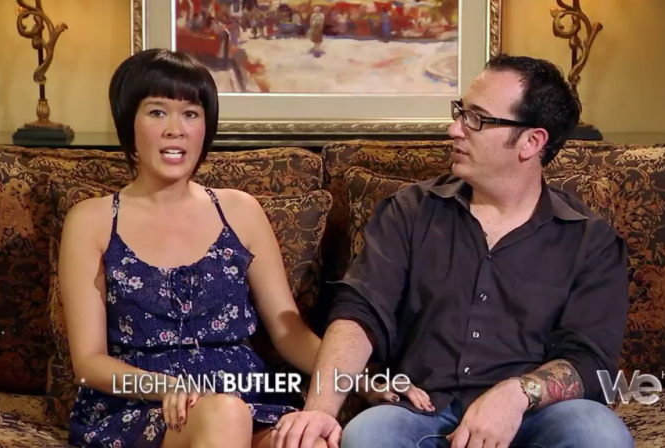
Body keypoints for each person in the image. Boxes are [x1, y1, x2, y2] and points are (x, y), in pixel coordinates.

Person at [60, 48, 426, 448]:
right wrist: (168, 387)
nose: (175, 129)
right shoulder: (92, 221)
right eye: (157, 112)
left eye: (191, 114)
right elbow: (88, 362)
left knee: (309, 443)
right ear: (128, 121)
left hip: (246, 397)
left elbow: (290, 334)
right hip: (143, 405)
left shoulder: (240, 212)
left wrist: (362, 379)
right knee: (225, 414)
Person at [272, 54, 635, 448]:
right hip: (423, 413)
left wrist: (517, 394)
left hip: (533, 417)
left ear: (531, 142)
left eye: (476, 119)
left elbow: (590, 361)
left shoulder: (590, 240)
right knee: (368, 433)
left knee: (599, 434)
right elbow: (360, 314)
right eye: (461, 112)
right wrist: (321, 411)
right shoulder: (410, 211)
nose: (454, 129)